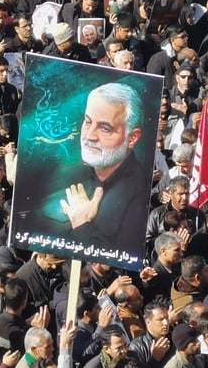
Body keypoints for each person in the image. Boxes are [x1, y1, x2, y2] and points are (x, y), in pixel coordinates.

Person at [58, 83, 148, 257]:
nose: (89, 136)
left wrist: (82, 226)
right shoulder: (67, 175)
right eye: (88, 122)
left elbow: (121, 259)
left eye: (105, 128)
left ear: (132, 138)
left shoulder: (140, 195)